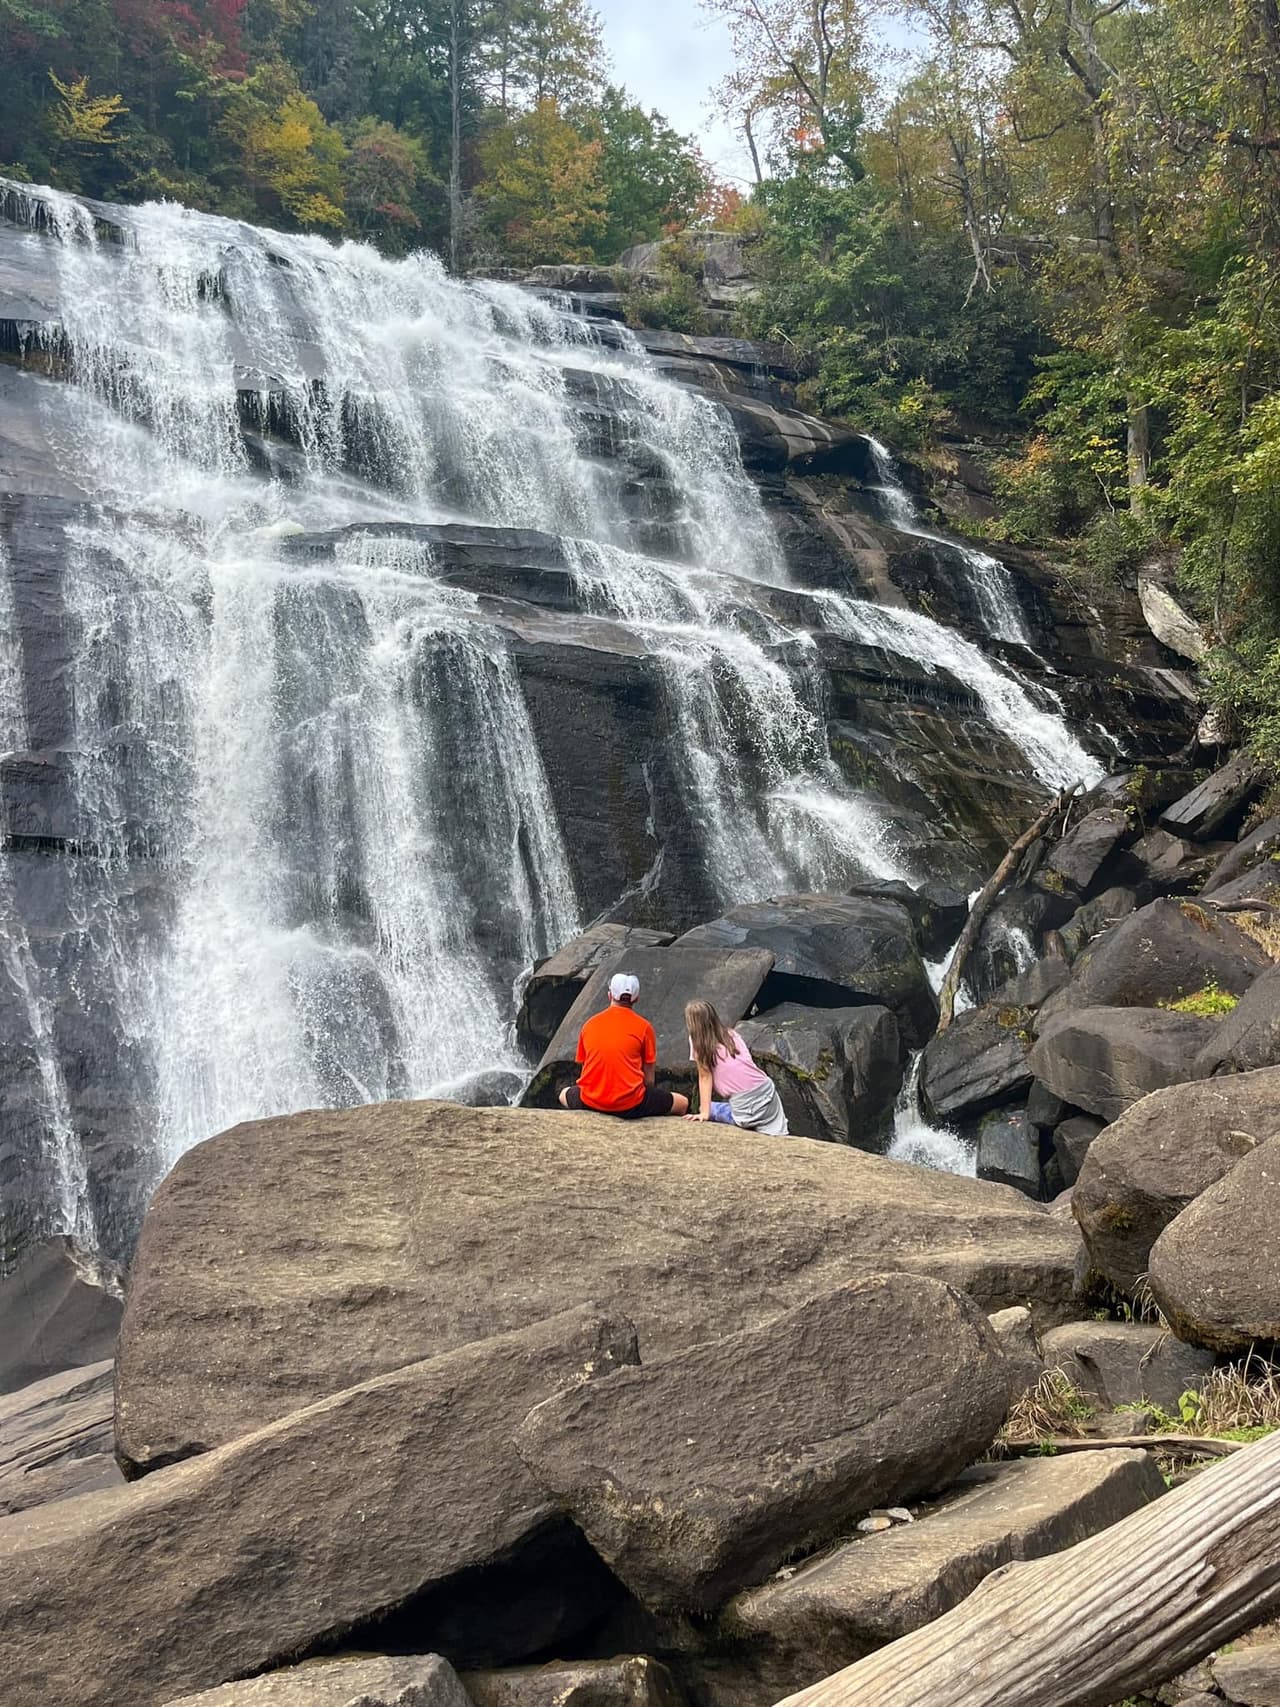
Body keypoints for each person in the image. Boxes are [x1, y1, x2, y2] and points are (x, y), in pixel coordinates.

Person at [559, 972, 690, 1119]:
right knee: (683, 1103)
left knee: (563, 1094)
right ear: (636, 999)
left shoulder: (589, 1024)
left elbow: (585, 1071)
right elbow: (649, 1079)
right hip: (630, 1105)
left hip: (591, 1101)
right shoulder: (644, 1027)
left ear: (610, 995)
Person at [684, 999, 789, 1135]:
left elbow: (705, 1076)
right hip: (767, 1091)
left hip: (746, 1107)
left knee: (711, 1108)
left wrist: (704, 1112)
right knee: (776, 1128)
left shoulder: (698, 1043)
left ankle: (750, 1121)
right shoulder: (731, 1034)